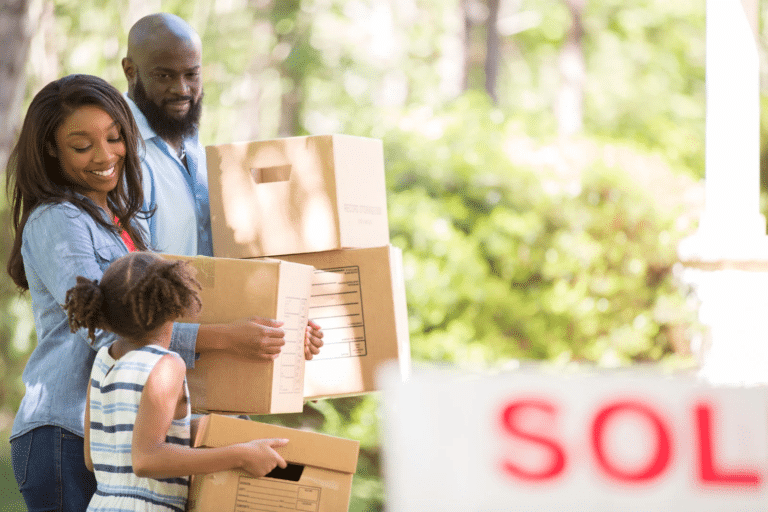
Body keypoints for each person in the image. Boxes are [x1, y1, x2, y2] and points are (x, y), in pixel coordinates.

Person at [4, 74, 294, 511]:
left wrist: (281, 330)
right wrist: (228, 337)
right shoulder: (57, 221)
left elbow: (169, 308)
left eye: (115, 138)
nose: (105, 156)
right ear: (50, 149)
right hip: (66, 434)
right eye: (82, 146)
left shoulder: (122, 220)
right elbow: (106, 326)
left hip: (120, 437)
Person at [121, 12, 323, 360]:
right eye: (164, 75)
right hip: (152, 376)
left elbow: (225, 264)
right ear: (130, 71)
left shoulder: (198, 152)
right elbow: (125, 302)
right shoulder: (120, 157)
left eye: (191, 74)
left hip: (216, 366)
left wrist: (284, 325)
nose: (181, 89)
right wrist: (227, 337)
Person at [64, 252, 289, 511]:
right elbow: (146, 460)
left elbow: (93, 457)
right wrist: (241, 455)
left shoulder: (104, 360)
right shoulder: (166, 365)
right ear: (175, 303)